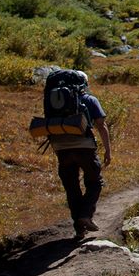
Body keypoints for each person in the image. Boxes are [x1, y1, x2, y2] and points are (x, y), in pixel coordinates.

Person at [47, 70, 112, 239]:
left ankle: (79, 228)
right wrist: (108, 151)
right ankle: (85, 215)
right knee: (95, 183)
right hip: (84, 147)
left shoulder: (54, 101)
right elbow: (101, 126)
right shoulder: (89, 99)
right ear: (84, 83)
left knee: (72, 188)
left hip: (61, 148)